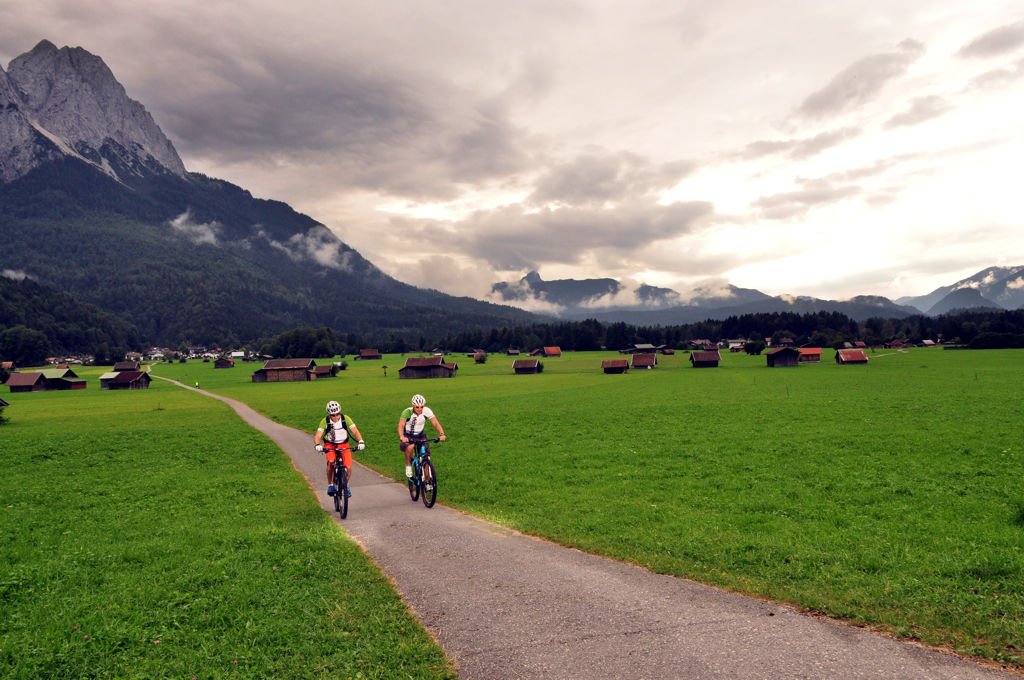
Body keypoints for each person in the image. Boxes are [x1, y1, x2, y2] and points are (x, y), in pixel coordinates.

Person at [314, 400, 365, 498]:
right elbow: (318, 436)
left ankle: (346, 485)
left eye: (337, 414)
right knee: (331, 461)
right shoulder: (325, 421)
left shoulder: (345, 419)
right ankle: (331, 485)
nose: (335, 417)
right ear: (329, 414)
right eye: (333, 415)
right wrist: (317, 444)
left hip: (343, 444)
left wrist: (361, 441)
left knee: (348, 467)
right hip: (330, 445)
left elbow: (355, 432)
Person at [398, 393, 446, 481]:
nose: (420, 409)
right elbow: (401, 425)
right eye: (417, 407)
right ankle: (408, 465)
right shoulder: (407, 412)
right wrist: (401, 436)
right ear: (413, 405)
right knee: (410, 446)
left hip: (420, 434)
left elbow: (435, 422)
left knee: (426, 457)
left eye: (421, 407)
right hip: (408, 435)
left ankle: (427, 481)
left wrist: (441, 434)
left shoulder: (426, 411)